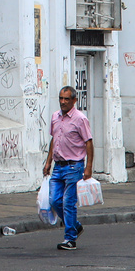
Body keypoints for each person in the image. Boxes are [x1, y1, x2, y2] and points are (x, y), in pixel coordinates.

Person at [42, 85, 94, 251]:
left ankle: (70, 238)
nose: (63, 102)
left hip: (74, 166)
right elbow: (54, 139)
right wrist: (48, 161)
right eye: (61, 99)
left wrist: (89, 167)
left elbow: (89, 142)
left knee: (68, 203)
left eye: (66, 99)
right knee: (54, 200)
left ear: (74, 101)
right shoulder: (55, 117)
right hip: (58, 166)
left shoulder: (80, 119)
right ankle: (75, 226)